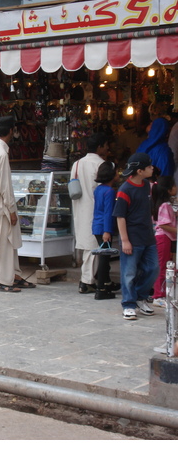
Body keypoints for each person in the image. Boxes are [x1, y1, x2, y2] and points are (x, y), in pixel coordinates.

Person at [0, 115, 36, 292]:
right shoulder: (0, 153)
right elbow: (5, 187)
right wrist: (11, 210)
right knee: (2, 244)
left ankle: (14, 275)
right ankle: (3, 280)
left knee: (9, 243)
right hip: (1, 207)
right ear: (11, 131)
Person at [112, 152, 159, 321]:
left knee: (153, 269)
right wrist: (124, 240)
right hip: (132, 239)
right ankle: (129, 304)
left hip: (148, 237)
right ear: (140, 171)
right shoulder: (124, 190)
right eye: (148, 166)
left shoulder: (147, 185)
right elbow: (120, 217)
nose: (152, 168)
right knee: (128, 273)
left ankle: (140, 297)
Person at [70, 132, 110, 294]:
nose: (108, 148)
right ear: (100, 147)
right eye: (106, 145)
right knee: (93, 246)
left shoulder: (77, 164)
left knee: (89, 245)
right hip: (95, 208)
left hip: (80, 208)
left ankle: (91, 278)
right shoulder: (101, 165)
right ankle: (86, 280)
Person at [91, 161, 120, 300]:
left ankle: (105, 283)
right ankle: (101, 288)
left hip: (98, 226)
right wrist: (107, 231)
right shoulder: (110, 191)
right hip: (104, 228)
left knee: (104, 257)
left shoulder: (99, 189)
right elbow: (108, 213)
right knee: (104, 258)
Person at [150, 175, 177, 308]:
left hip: (163, 238)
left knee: (165, 266)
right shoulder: (165, 205)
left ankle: (162, 293)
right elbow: (163, 224)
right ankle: (158, 296)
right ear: (168, 190)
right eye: (174, 185)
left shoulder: (161, 204)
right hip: (163, 238)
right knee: (162, 267)